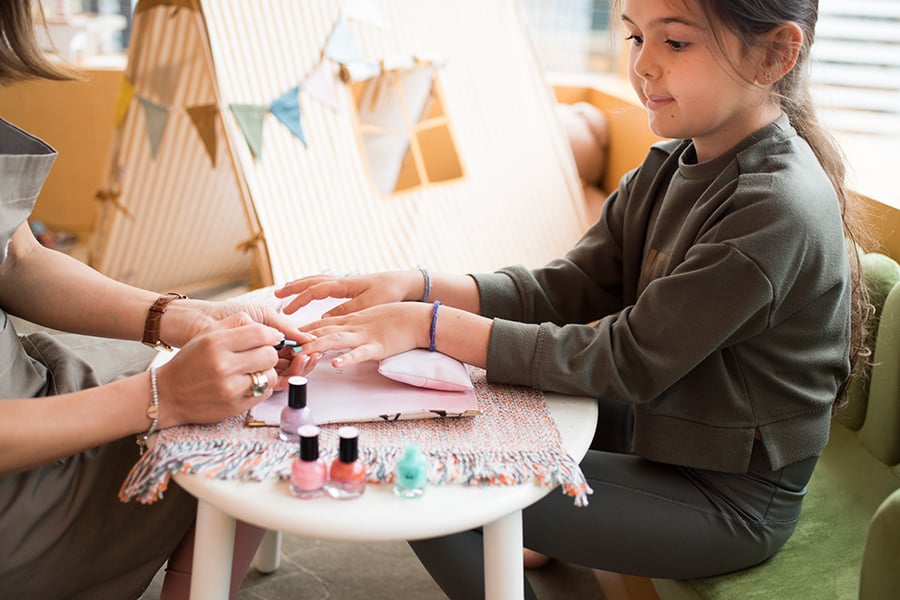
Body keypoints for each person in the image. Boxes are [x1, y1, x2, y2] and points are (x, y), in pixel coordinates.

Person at [275, 0, 872, 597]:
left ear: (775, 54)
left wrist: (427, 324)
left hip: (729, 496)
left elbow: (627, 359)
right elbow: (566, 288)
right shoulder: (668, 165)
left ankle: (527, 527)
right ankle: (536, 531)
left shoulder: (775, 208)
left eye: (676, 42)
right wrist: (418, 285)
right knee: (455, 406)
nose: (643, 64)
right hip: (659, 425)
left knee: (429, 485)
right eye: (636, 38)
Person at [0, 2, 314, 598]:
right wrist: (161, 398)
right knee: (244, 428)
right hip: (17, 496)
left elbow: (16, 259)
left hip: (32, 391)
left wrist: (186, 316)